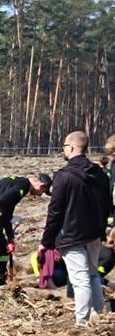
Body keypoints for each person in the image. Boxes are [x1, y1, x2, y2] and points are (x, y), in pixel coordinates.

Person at [39, 131, 109, 325]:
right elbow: (106, 205)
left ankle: (82, 323)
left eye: (64, 146)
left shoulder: (64, 176)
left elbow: (55, 211)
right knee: (93, 274)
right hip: (94, 233)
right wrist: (102, 229)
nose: (63, 150)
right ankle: (98, 316)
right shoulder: (100, 175)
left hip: (71, 235)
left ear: (71, 148)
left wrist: (46, 242)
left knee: (80, 279)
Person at [0, 172, 51, 286]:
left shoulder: (18, 182)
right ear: (41, 185)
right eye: (42, 192)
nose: (40, 195)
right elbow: (3, 201)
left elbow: (7, 211)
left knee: (2, 247)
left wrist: (10, 238)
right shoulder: (24, 184)